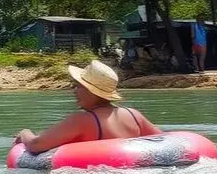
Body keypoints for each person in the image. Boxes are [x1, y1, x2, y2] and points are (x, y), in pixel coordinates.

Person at [12, 60, 161, 154]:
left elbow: (36, 144)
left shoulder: (82, 120)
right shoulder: (134, 115)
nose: (74, 91)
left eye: (78, 86)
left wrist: (25, 133)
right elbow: (163, 140)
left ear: (92, 91)